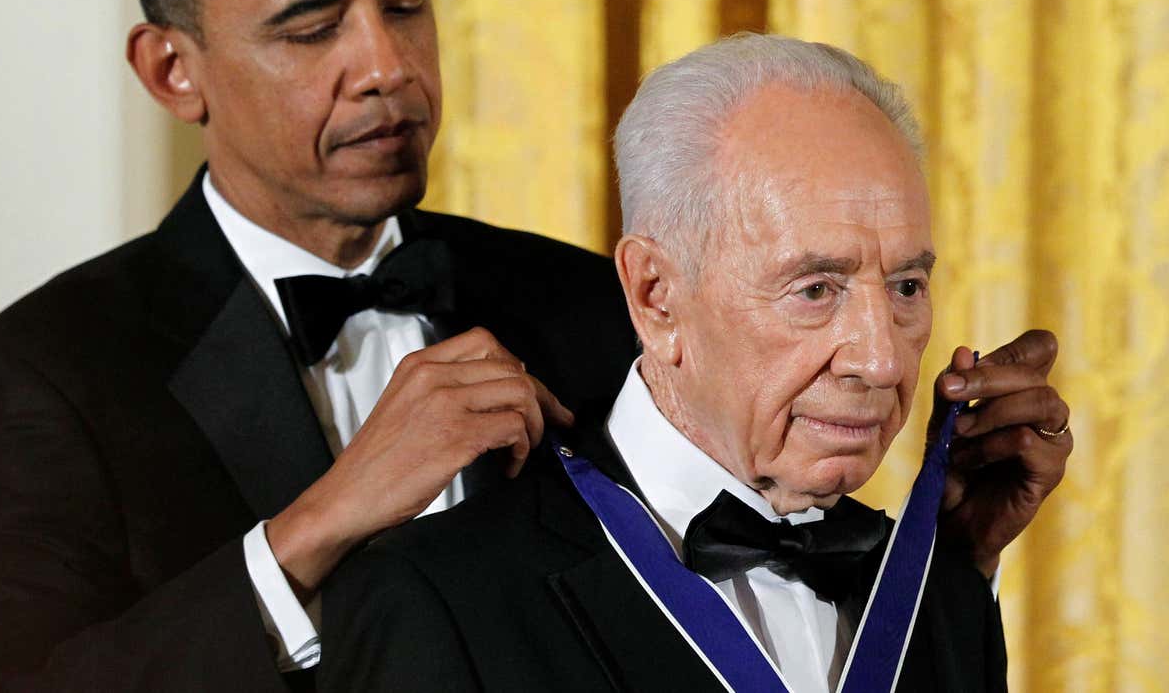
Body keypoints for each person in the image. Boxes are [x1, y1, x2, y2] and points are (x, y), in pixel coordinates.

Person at [0, 0, 636, 692]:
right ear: (172, 71)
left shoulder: (593, 301)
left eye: (405, 6)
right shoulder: (47, 373)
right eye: (312, 29)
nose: (387, 66)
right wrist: (323, 521)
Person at [318, 34, 1073, 692]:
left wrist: (948, 582)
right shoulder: (438, 600)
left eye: (907, 285)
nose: (881, 360)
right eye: (815, 289)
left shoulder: (933, 589)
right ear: (656, 297)